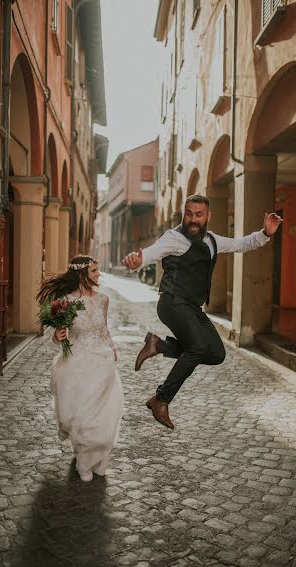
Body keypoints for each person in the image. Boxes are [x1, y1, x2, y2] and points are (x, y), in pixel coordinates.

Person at [122, 194, 283, 430]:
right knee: (197, 347)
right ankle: (161, 399)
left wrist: (266, 233)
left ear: (208, 216)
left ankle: (159, 345)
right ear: (184, 213)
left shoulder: (213, 241)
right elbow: (151, 252)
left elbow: (241, 244)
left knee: (216, 353)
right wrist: (137, 260)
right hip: (172, 302)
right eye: (189, 214)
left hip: (193, 307)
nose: (193, 220)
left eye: (198, 215)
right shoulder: (174, 238)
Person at [37, 255, 124, 482]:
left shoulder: (104, 299)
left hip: (102, 363)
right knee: (81, 415)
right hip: (76, 363)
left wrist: (113, 349)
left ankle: (101, 456)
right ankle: (84, 459)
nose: (98, 275)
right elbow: (60, 337)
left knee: (103, 413)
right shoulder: (65, 302)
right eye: (94, 271)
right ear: (82, 274)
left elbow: (104, 330)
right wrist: (57, 336)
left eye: (98, 270)